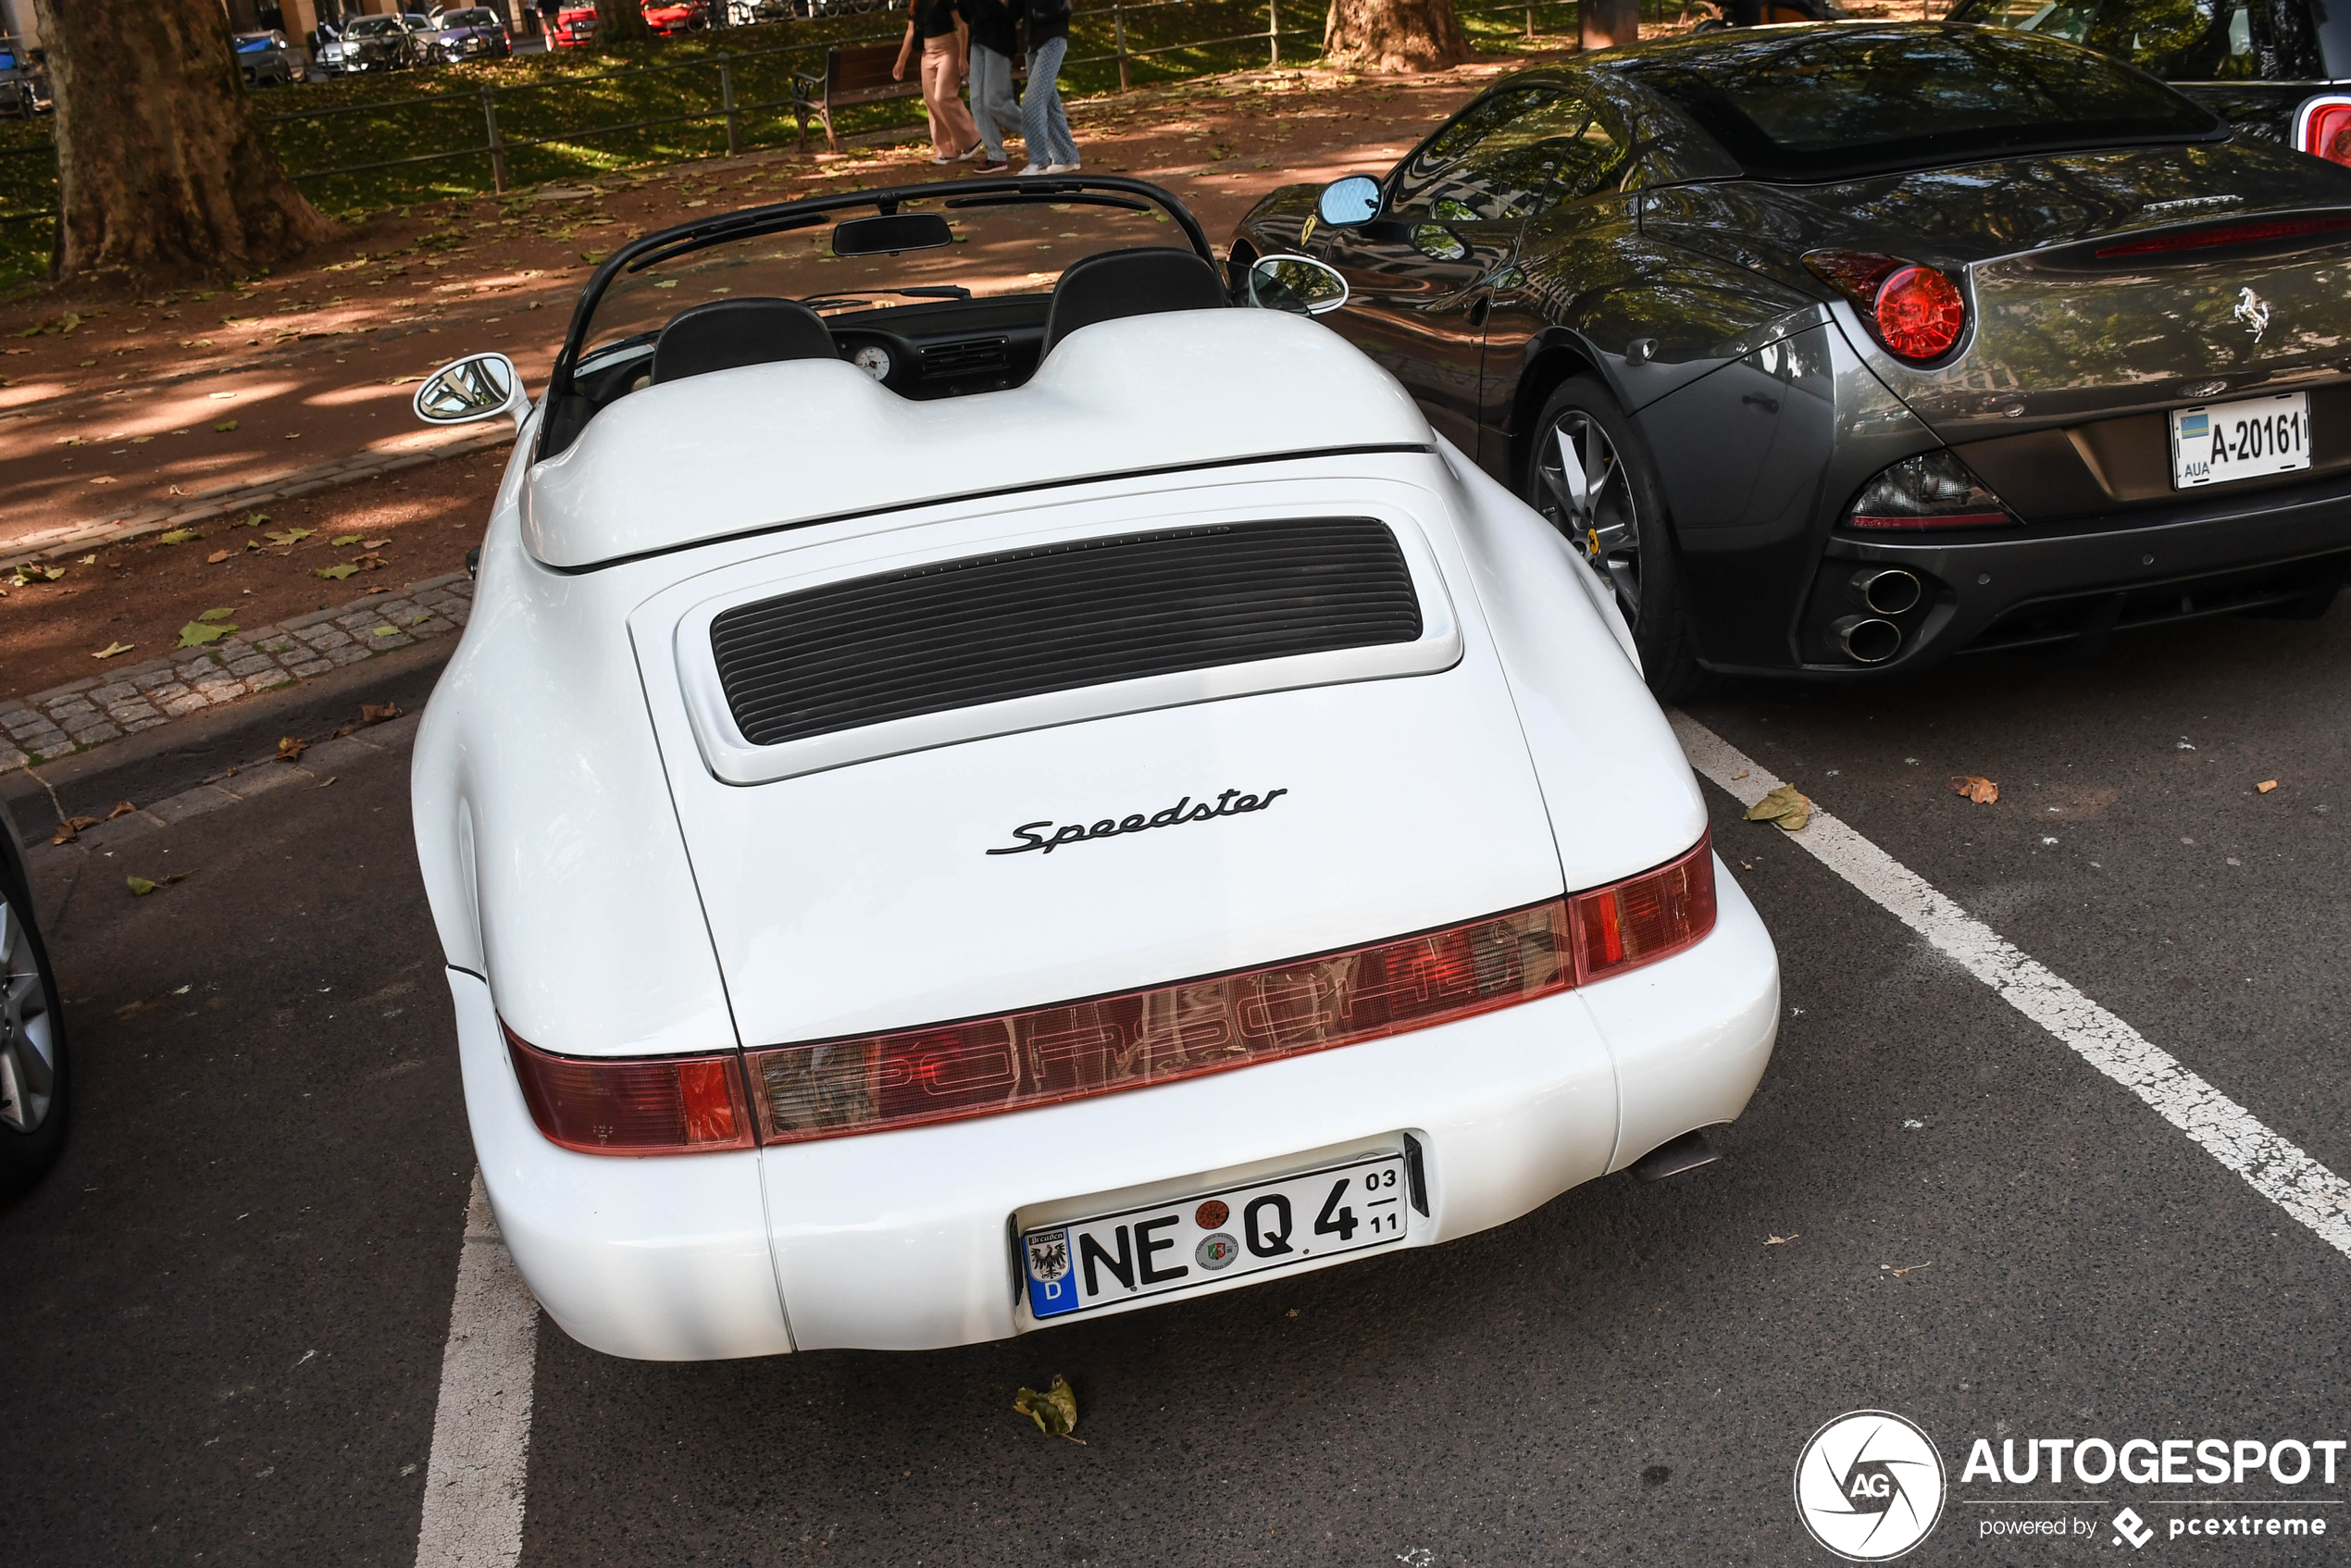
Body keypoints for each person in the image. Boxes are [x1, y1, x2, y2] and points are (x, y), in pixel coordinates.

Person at [893, 0, 982, 166]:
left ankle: (972, 137)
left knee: (943, 96)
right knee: (931, 100)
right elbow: (911, 32)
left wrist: (962, 57)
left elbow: (962, 26)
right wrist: (901, 61)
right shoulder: (916, 4)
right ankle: (947, 150)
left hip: (948, 49)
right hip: (928, 53)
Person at [1016, 0, 1078, 174]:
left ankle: (1039, 162)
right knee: (1050, 103)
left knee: (1032, 102)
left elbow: (1051, 7)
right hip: (1032, 43)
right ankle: (1067, 158)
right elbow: (1015, 13)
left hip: (1053, 39)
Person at [962, 0, 1022, 174]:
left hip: (999, 40)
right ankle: (996, 156)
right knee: (977, 100)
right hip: (979, 39)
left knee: (995, 101)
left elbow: (1014, 11)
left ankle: (1041, 133)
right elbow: (967, 14)